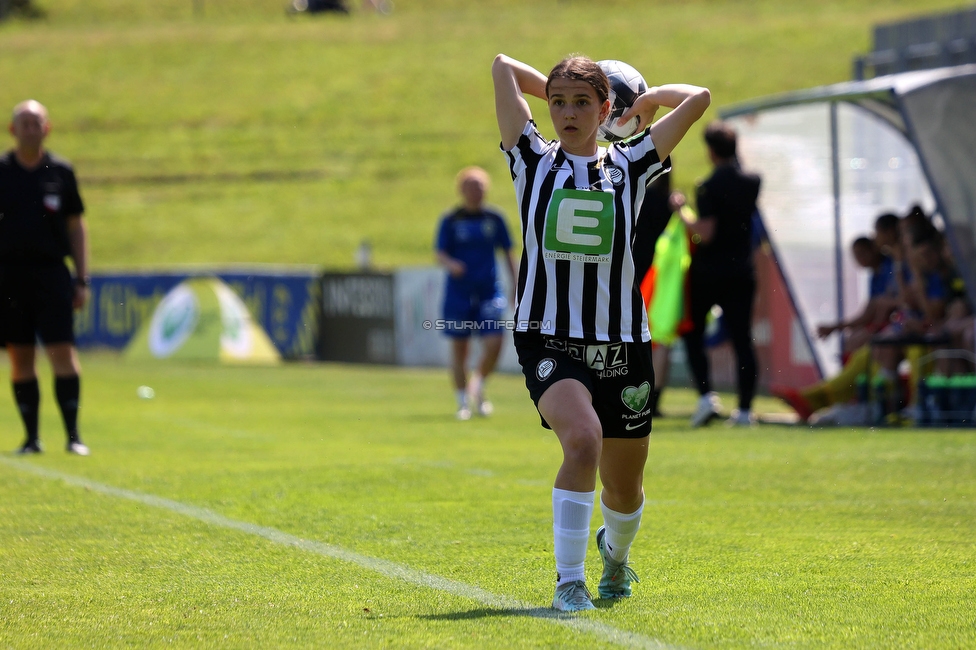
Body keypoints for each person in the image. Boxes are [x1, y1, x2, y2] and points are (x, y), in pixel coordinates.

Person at [492, 53, 709, 611]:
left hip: (621, 344)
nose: (566, 112)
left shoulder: (632, 162)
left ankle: (615, 556)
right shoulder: (529, 157)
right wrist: (557, 85)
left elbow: (700, 98)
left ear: (606, 109)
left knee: (625, 489)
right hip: (547, 337)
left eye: (581, 102)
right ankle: (569, 582)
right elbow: (500, 66)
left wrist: (651, 98)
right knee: (582, 440)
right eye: (558, 102)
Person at [0, 100, 90, 455]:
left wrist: (81, 279)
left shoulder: (61, 171)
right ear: (12, 130)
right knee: (20, 358)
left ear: (47, 128)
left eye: (36, 122)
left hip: (52, 275)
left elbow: (76, 226)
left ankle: (73, 436)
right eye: (24, 122)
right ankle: (31, 438)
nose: (31, 128)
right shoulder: (2, 171)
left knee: (62, 353)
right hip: (7, 277)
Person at [679, 121, 761, 427]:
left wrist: (682, 214)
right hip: (743, 269)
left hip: (710, 271)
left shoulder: (708, 186)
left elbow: (707, 233)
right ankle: (744, 410)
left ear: (711, 151)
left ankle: (706, 396)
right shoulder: (753, 181)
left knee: (693, 332)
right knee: (743, 339)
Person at [434, 166, 516, 420]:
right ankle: (463, 402)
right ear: (461, 189)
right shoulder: (451, 220)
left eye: (480, 186)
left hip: (489, 291)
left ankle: (478, 384)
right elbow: (440, 253)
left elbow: (509, 253)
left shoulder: (494, 219)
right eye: (471, 186)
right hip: (458, 293)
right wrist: (452, 264)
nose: (476, 191)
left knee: (495, 343)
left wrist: (515, 285)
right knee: (461, 348)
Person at [633, 174, 693, 417]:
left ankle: (636, 397)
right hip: (663, 278)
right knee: (660, 341)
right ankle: (654, 401)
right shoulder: (672, 201)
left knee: (637, 341)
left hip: (637, 276)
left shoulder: (635, 194)